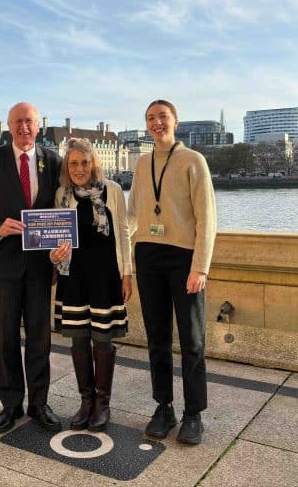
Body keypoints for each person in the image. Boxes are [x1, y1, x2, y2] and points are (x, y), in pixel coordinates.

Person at [128, 99, 217, 445]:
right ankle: (163, 406)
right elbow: (133, 213)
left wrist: (201, 267)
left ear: (176, 122)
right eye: (150, 118)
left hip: (183, 257)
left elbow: (207, 218)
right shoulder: (141, 162)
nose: (156, 123)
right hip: (148, 255)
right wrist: (122, 252)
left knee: (192, 340)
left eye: (162, 116)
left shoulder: (194, 161)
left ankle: (194, 413)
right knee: (157, 339)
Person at [0, 101, 62, 433]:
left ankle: (39, 403)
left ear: (38, 125)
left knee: (40, 337)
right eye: (18, 122)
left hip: (41, 265)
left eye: (30, 122)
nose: (24, 127)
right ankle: (10, 405)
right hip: (3, 263)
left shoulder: (53, 160)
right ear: (8, 126)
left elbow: (62, 207)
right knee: (6, 336)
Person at [49, 138, 131, 432]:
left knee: (103, 340)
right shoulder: (62, 194)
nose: (80, 168)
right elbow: (53, 237)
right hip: (74, 276)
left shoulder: (112, 190)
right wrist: (53, 255)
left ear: (93, 163)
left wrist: (127, 273)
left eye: (85, 162)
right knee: (79, 339)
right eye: (74, 163)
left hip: (106, 275)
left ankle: (102, 404)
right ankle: (85, 402)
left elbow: (123, 232)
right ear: (66, 166)